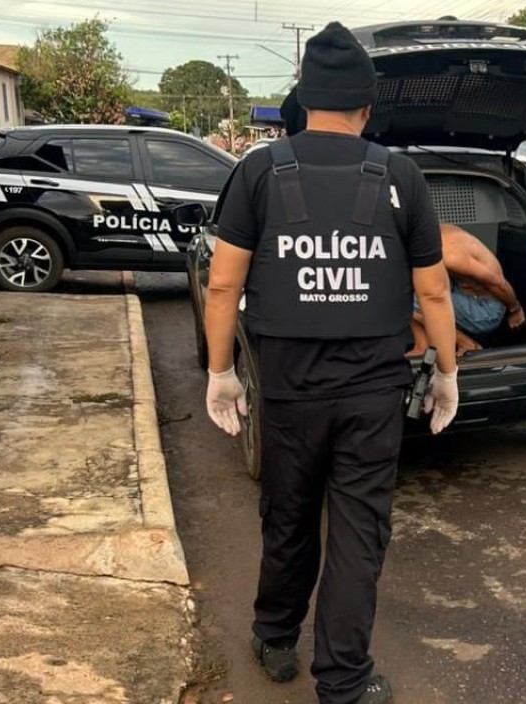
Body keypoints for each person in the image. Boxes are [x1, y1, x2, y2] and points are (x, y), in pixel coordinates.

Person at [204, 22, 459, 704]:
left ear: (303, 101)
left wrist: (220, 372)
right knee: (357, 532)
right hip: (372, 395)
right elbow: (434, 291)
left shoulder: (258, 171)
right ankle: (343, 682)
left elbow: (223, 286)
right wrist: (446, 372)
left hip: (289, 391)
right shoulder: (400, 175)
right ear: (367, 107)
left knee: (288, 516)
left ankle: (274, 637)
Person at [409, 223, 526, 357]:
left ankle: (467, 344)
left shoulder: (451, 255)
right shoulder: (431, 232)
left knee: (407, 299)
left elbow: (498, 283)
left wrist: (515, 309)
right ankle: (422, 345)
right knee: (405, 288)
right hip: (464, 292)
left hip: (486, 311)